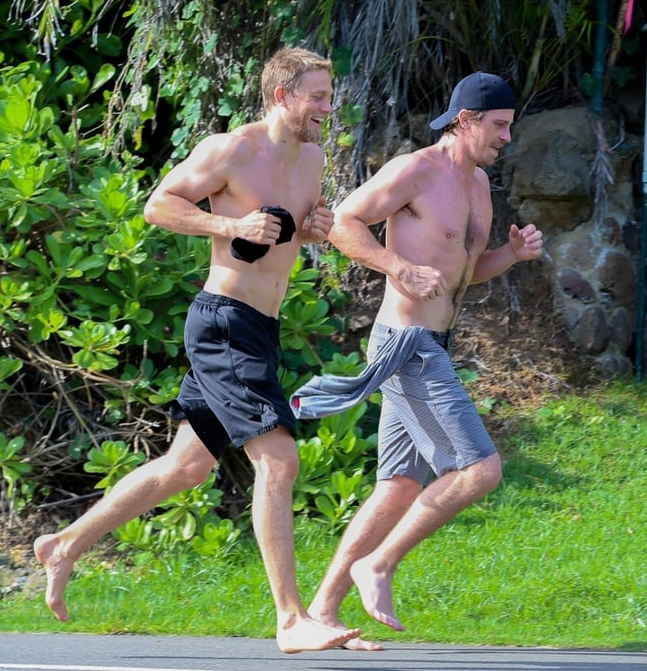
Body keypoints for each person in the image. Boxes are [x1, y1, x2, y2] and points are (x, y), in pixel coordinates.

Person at [33, 47, 361, 654]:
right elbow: (160, 205)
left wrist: (312, 227)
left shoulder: (312, 158)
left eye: (328, 94)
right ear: (283, 95)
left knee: (187, 468)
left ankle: (65, 544)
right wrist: (229, 227)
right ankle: (291, 621)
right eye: (317, 95)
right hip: (224, 323)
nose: (327, 106)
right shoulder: (232, 150)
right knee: (279, 461)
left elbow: (299, 223)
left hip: (259, 327)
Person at [291, 72, 544, 648]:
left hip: (435, 343)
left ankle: (324, 615)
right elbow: (345, 222)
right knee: (479, 470)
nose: (507, 137)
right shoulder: (416, 170)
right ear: (465, 120)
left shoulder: (477, 184)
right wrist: (395, 267)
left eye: (509, 126)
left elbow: (460, 271)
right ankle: (377, 565)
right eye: (499, 126)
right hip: (407, 343)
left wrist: (511, 253)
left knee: (399, 486)